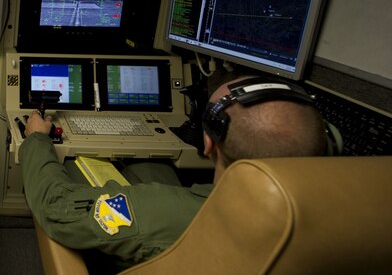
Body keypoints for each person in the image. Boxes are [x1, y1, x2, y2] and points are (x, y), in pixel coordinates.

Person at [20, 74, 328, 268]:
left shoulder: (163, 213)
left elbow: (56, 206)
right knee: (152, 166)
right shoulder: (347, 221)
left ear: (208, 142)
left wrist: (35, 138)